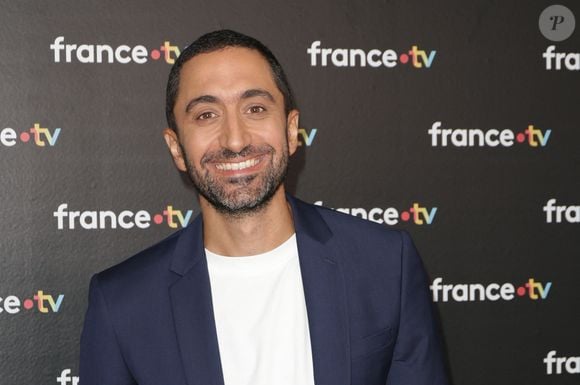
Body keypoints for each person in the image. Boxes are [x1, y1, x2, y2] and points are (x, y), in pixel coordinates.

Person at [79, 29, 449, 385]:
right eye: (207, 114)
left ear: (291, 130)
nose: (236, 139)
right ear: (176, 147)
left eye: (255, 108)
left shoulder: (384, 265)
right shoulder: (123, 303)